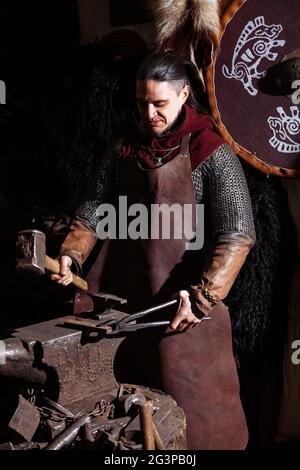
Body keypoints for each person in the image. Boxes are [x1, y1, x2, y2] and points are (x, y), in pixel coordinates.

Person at [51, 51, 256, 449]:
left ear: (182, 95)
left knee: (199, 433)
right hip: (124, 311)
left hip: (184, 313)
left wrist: (203, 298)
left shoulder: (212, 153)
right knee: (122, 428)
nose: (149, 114)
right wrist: (70, 255)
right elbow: (94, 210)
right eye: (142, 103)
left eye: (159, 103)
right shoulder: (123, 150)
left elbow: (237, 234)